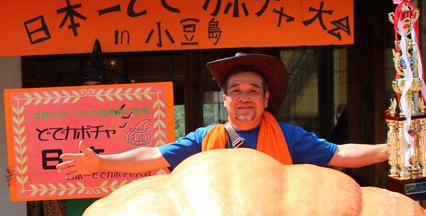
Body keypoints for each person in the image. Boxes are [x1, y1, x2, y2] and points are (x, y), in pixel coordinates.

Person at [57, 53, 388, 180]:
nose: (245, 98)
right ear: (226, 99)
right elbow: (152, 156)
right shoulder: (205, 139)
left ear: (266, 98)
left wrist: (390, 150)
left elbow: (340, 154)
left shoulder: (287, 136)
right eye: (237, 91)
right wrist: (101, 163)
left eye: (253, 91)